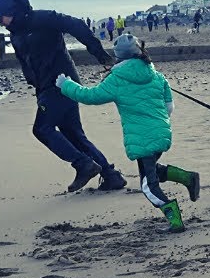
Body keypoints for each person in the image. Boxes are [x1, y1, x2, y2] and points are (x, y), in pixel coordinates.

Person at [55, 33, 201, 233]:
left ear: (118, 56)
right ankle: (187, 178)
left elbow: (90, 96)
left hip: (141, 138)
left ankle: (175, 221)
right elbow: (169, 107)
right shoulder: (157, 76)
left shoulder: (117, 79)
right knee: (150, 170)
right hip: (161, 132)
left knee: (148, 186)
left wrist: (66, 85)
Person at [0, 0, 127, 192]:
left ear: (11, 11)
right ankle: (110, 176)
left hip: (63, 83)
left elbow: (77, 25)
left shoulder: (43, 18)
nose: (1, 24)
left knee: (42, 129)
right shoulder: (16, 35)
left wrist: (99, 53)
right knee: (74, 135)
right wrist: (36, 87)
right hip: (46, 88)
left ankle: (84, 165)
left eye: (0, 18)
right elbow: (26, 62)